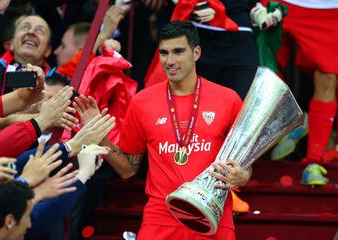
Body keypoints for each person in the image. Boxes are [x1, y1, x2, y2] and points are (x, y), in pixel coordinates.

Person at [76, 20, 252, 239]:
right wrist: (99, 134)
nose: (170, 61)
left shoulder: (228, 100)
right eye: (164, 53)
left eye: (178, 52)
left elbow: (245, 166)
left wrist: (242, 176)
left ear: (196, 52)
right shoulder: (142, 101)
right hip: (161, 218)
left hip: (212, 216)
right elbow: (128, 170)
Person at [262, 0, 338, 186]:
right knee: (265, 75)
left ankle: (314, 162)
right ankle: (285, 123)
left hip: (331, 10)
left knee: (327, 80)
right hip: (281, 4)